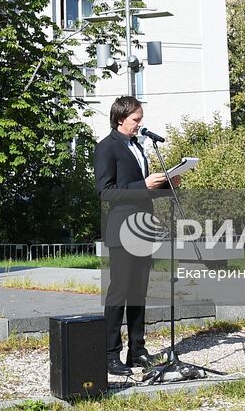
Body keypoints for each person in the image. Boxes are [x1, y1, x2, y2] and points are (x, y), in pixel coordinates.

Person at [95, 95, 173, 378]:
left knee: (139, 291)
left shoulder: (139, 146)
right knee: (120, 291)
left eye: (141, 120)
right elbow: (106, 192)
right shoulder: (107, 147)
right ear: (120, 119)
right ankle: (109, 354)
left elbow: (144, 188)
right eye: (135, 120)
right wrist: (144, 184)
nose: (140, 125)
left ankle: (137, 349)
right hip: (122, 230)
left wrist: (167, 183)